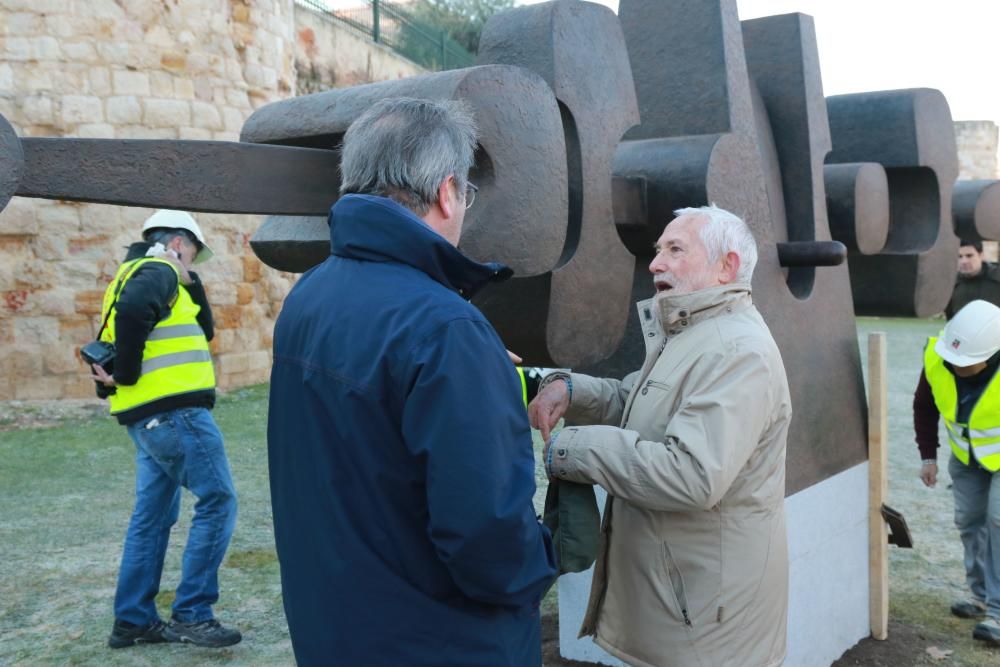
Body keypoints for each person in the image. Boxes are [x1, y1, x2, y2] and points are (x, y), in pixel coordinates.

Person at [266, 98, 557, 666]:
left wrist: (486, 380)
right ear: (448, 192)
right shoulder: (445, 328)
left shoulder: (311, 293)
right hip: (440, 641)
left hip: (339, 626)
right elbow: (490, 545)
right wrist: (543, 556)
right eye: (467, 195)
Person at [529, 205, 791, 667]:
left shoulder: (737, 352)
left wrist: (573, 448)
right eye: (658, 250)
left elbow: (691, 475)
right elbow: (640, 402)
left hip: (706, 620)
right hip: (682, 603)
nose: (655, 263)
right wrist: (571, 390)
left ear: (726, 267)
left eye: (675, 249)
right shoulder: (696, 333)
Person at [90, 210, 241, 649]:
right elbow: (137, 310)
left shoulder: (141, 272)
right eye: (193, 252)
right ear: (178, 242)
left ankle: (134, 620)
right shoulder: (157, 270)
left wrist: (191, 280)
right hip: (174, 414)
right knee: (218, 500)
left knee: (152, 518)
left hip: (147, 417)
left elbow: (204, 330)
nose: (194, 262)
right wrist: (130, 375)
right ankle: (193, 614)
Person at [914, 299, 1000, 646]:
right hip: (967, 459)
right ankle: (980, 596)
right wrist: (928, 457)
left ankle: (998, 610)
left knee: (998, 521)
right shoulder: (938, 356)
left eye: (964, 364)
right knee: (969, 520)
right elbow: (924, 405)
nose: (953, 366)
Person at [945, 239, 1000, 319]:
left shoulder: (997, 276)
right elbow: (950, 317)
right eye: (959, 256)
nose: (964, 261)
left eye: (969, 256)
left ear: (981, 255)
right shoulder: (951, 284)